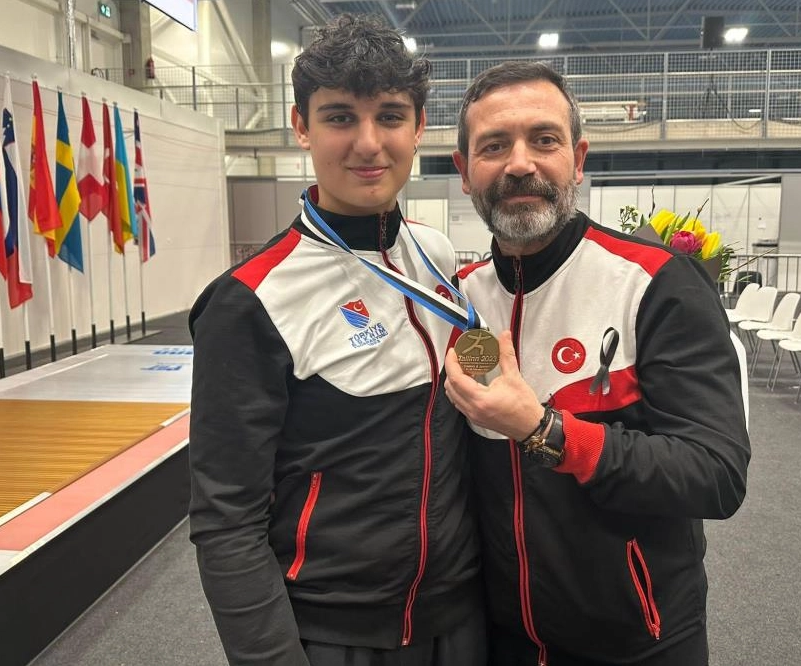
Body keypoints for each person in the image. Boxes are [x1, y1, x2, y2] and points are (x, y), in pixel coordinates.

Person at [188, 14, 483, 665]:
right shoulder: (250, 301)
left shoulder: (435, 255)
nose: (369, 144)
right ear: (302, 126)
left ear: (419, 127)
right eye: (341, 117)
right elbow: (225, 520)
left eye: (390, 116)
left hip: (459, 618)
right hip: (334, 633)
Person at [445, 61, 751, 665]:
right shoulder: (458, 298)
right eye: (494, 146)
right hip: (503, 638)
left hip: (640, 640)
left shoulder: (656, 283)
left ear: (578, 159)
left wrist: (545, 430)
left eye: (544, 140)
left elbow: (716, 473)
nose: (520, 164)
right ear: (464, 171)